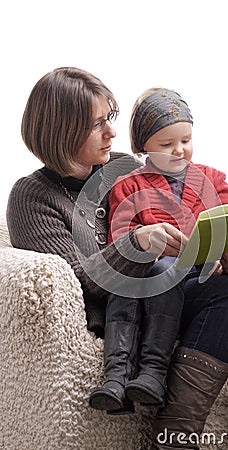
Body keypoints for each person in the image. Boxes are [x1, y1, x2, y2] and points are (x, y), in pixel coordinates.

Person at [98, 88, 228, 449]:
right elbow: (124, 249)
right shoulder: (128, 187)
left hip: (213, 272)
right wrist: (145, 240)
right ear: (144, 145)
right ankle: (175, 433)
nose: (179, 150)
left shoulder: (212, 179)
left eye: (186, 140)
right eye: (167, 143)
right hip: (169, 290)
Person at [6, 67, 185, 415]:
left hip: (168, 287)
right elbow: (79, 281)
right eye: (96, 124)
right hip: (127, 310)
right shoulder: (32, 197)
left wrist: (221, 247)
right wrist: (138, 242)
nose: (112, 132)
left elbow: (175, 218)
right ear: (62, 131)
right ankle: (177, 429)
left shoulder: (123, 168)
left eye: (110, 118)